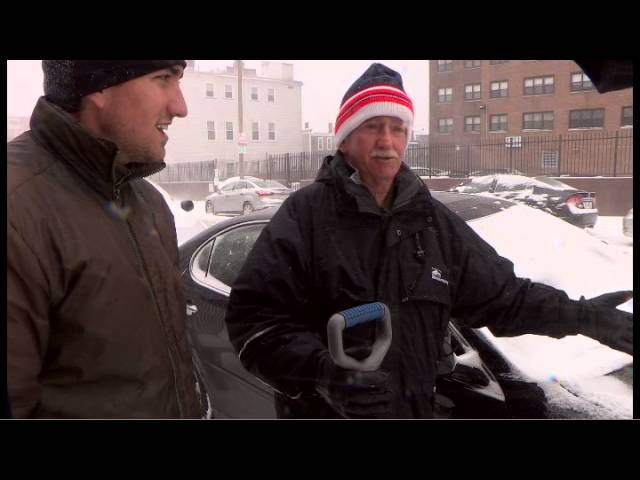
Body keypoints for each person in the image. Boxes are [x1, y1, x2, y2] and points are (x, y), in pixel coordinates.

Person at [224, 63, 633, 419]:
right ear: (345, 139)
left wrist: (582, 317)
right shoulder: (306, 215)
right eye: (371, 127)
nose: (386, 140)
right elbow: (255, 324)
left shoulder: (431, 220)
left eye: (397, 128)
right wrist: (324, 374)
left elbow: (504, 297)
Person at [7, 60, 204, 418]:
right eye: (162, 79)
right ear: (95, 85)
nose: (181, 107)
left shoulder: (148, 201)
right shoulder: (17, 208)